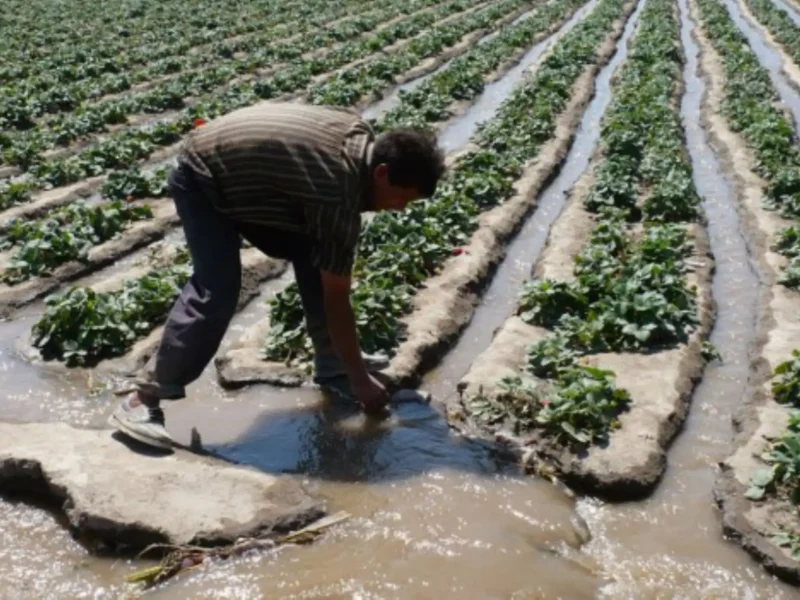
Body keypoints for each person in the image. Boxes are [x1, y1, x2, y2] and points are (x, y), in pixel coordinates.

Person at [109, 102, 446, 449]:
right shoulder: (336, 191)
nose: (399, 208)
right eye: (401, 197)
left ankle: (333, 370)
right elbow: (336, 298)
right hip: (203, 177)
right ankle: (142, 398)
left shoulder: (361, 142)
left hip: (247, 176)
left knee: (317, 256)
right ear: (381, 173)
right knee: (218, 286)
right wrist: (362, 380)